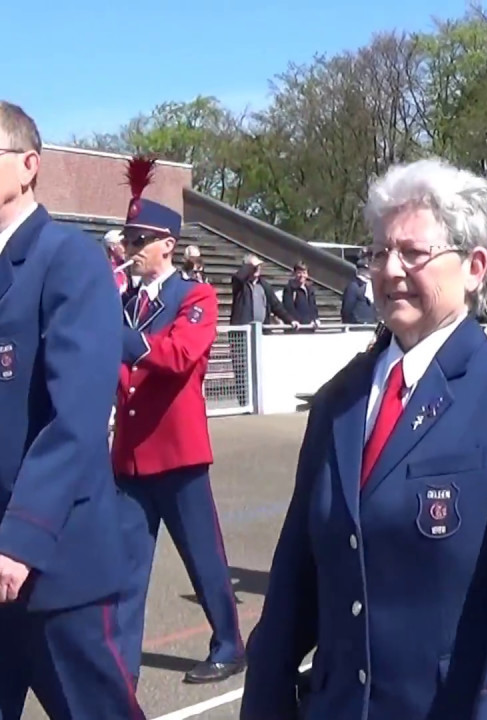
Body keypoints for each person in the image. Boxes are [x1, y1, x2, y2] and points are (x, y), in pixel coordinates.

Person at [241, 157, 487, 720]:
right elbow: (295, 583)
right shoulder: (339, 402)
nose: (389, 269)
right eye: (378, 252)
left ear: (475, 267)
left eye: (413, 253)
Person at [0, 100, 143, 720]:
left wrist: (20, 539)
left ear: (28, 166)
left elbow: (76, 417)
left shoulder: (69, 260)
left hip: (51, 566)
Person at [112, 155, 245, 686]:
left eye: (142, 239)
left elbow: (178, 355)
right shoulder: (121, 298)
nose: (132, 249)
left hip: (178, 451)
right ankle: (120, 665)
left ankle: (230, 643)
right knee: (124, 569)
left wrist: (119, 336)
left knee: (204, 560)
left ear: (167, 244)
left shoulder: (196, 296)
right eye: (130, 238)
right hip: (129, 456)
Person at [230, 254, 296, 327]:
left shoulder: (264, 286)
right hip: (243, 331)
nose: (257, 269)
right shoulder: (241, 285)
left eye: (259, 266)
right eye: (254, 267)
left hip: (262, 329)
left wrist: (290, 320)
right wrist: (249, 266)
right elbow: (237, 277)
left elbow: (276, 306)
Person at [341, 255, 378, 324]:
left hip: (371, 322)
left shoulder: (371, 285)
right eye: (368, 270)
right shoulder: (354, 286)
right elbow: (347, 308)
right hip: (357, 324)